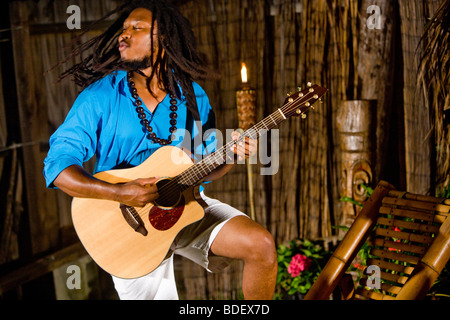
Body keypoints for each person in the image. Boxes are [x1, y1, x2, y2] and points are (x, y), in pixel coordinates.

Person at [43, 0, 277, 300]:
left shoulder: (192, 94)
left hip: (185, 204)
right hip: (127, 223)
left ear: (163, 38)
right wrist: (121, 192)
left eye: (136, 28)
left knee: (261, 246)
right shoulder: (100, 96)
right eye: (123, 29)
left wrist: (231, 154)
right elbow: (58, 168)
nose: (122, 36)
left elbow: (207, 166)